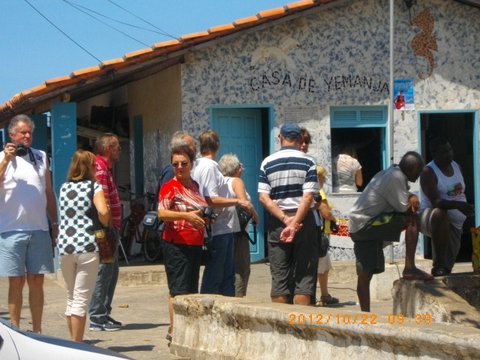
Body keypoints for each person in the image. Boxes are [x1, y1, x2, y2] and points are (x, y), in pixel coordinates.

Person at [349, 151, 434, 312]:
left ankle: (366, 316)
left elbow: (399, 198)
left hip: (358, 225)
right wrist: (412, 197)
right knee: (412, 219)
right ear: (412, 168)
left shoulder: (391, 172)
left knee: (365, 273)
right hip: (367, 224)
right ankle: (410, 267)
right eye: (418, 172)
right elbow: (405, 208)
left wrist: (410, 195)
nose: (419, 176)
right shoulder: (397, 177)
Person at [0, 114, 58, 333]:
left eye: (29, 132)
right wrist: (6, 160)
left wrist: (54, 223)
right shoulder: (1, 158)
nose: (27, 136)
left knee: (37, 281)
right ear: (12, 135)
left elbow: (48, 192)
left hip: (39, 229)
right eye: (22, 132)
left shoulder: (41, 156)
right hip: (10, 230)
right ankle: (15, 330)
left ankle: (37, 331)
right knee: (16, 282)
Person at [258, 123, 319, 305]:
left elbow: (263, 197)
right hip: (304, 223)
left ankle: (280, 328)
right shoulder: (308, 162)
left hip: (278, 223)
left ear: (280, 138)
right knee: (304, 280)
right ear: (300, 140)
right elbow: (308, 197)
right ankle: (301, 326)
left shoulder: (267, 162)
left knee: (279, 279)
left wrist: (286, 220)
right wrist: (295, 223)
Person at [57, 150, 111, 342]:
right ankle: (77, 346)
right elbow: (103, 211)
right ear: (89, 167)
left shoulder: (64, 188)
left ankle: (72, 343)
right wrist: (105, 221)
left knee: (71, 298)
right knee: (80, 300)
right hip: (87, 246)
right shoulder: (93, 187)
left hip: (65, 247)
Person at [158, 144, 208, 343]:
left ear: (191, 164)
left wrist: (204, 217)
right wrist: (187, 216)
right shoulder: (169, 187)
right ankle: (174, 331)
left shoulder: (194, 185)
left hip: (194, 245)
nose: (180, 167)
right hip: (176, 244)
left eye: (184, 164)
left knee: (190, 289)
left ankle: (185, 330)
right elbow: (162, 213)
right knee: (177, 291)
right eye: (175, 164)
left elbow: (199, 210)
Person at [192, 130, 251, 296]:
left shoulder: (197, 165)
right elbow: (210, 199)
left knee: (224, 278)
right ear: (217, 146)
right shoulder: (210, 167)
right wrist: (238, 201)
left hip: (218, 229)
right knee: (218, 278)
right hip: (219, 230)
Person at [419, 137, 474, 277]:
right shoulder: (428, 172)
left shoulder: (456, 166)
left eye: (450, 150)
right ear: (434, 153)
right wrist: (459, 206)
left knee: (448, 267)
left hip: (456, 224)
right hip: (431, 219)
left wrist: (465, 207)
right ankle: (437, 265)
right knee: (440, 213)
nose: (449, 154)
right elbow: (436, 202)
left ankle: (442, 269)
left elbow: (460, 192)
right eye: (443, 152)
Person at [89, 133, 123, 331]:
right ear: (109, 149)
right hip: (105, 230)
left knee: (112, 272)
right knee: (104, 273)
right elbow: (102, 202)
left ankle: (104, 313)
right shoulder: (100, 169)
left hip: (111, 229)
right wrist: (108, 228)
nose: (120, 151)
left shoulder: (105, 168)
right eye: (117, 147)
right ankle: (97, 317)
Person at [218, 153, 259, 297]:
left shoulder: (219, 181)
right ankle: (238, 299)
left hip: (221, 231)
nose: (242, 168)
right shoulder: (236, 181)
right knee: (241, 269)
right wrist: (255, 215)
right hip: (237, 231)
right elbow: (244, 203)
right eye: (240, 166)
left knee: (224, 268)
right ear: (236, 169)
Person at [315, 166, 339, 306]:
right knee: (322, 266)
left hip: (320, 232)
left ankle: (324, 294)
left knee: (323, 265)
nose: (324, 180)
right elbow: (325, 213)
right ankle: (324, 296)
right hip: (322, 234)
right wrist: (334, 220)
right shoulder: (320, 193)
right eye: (323, 178)